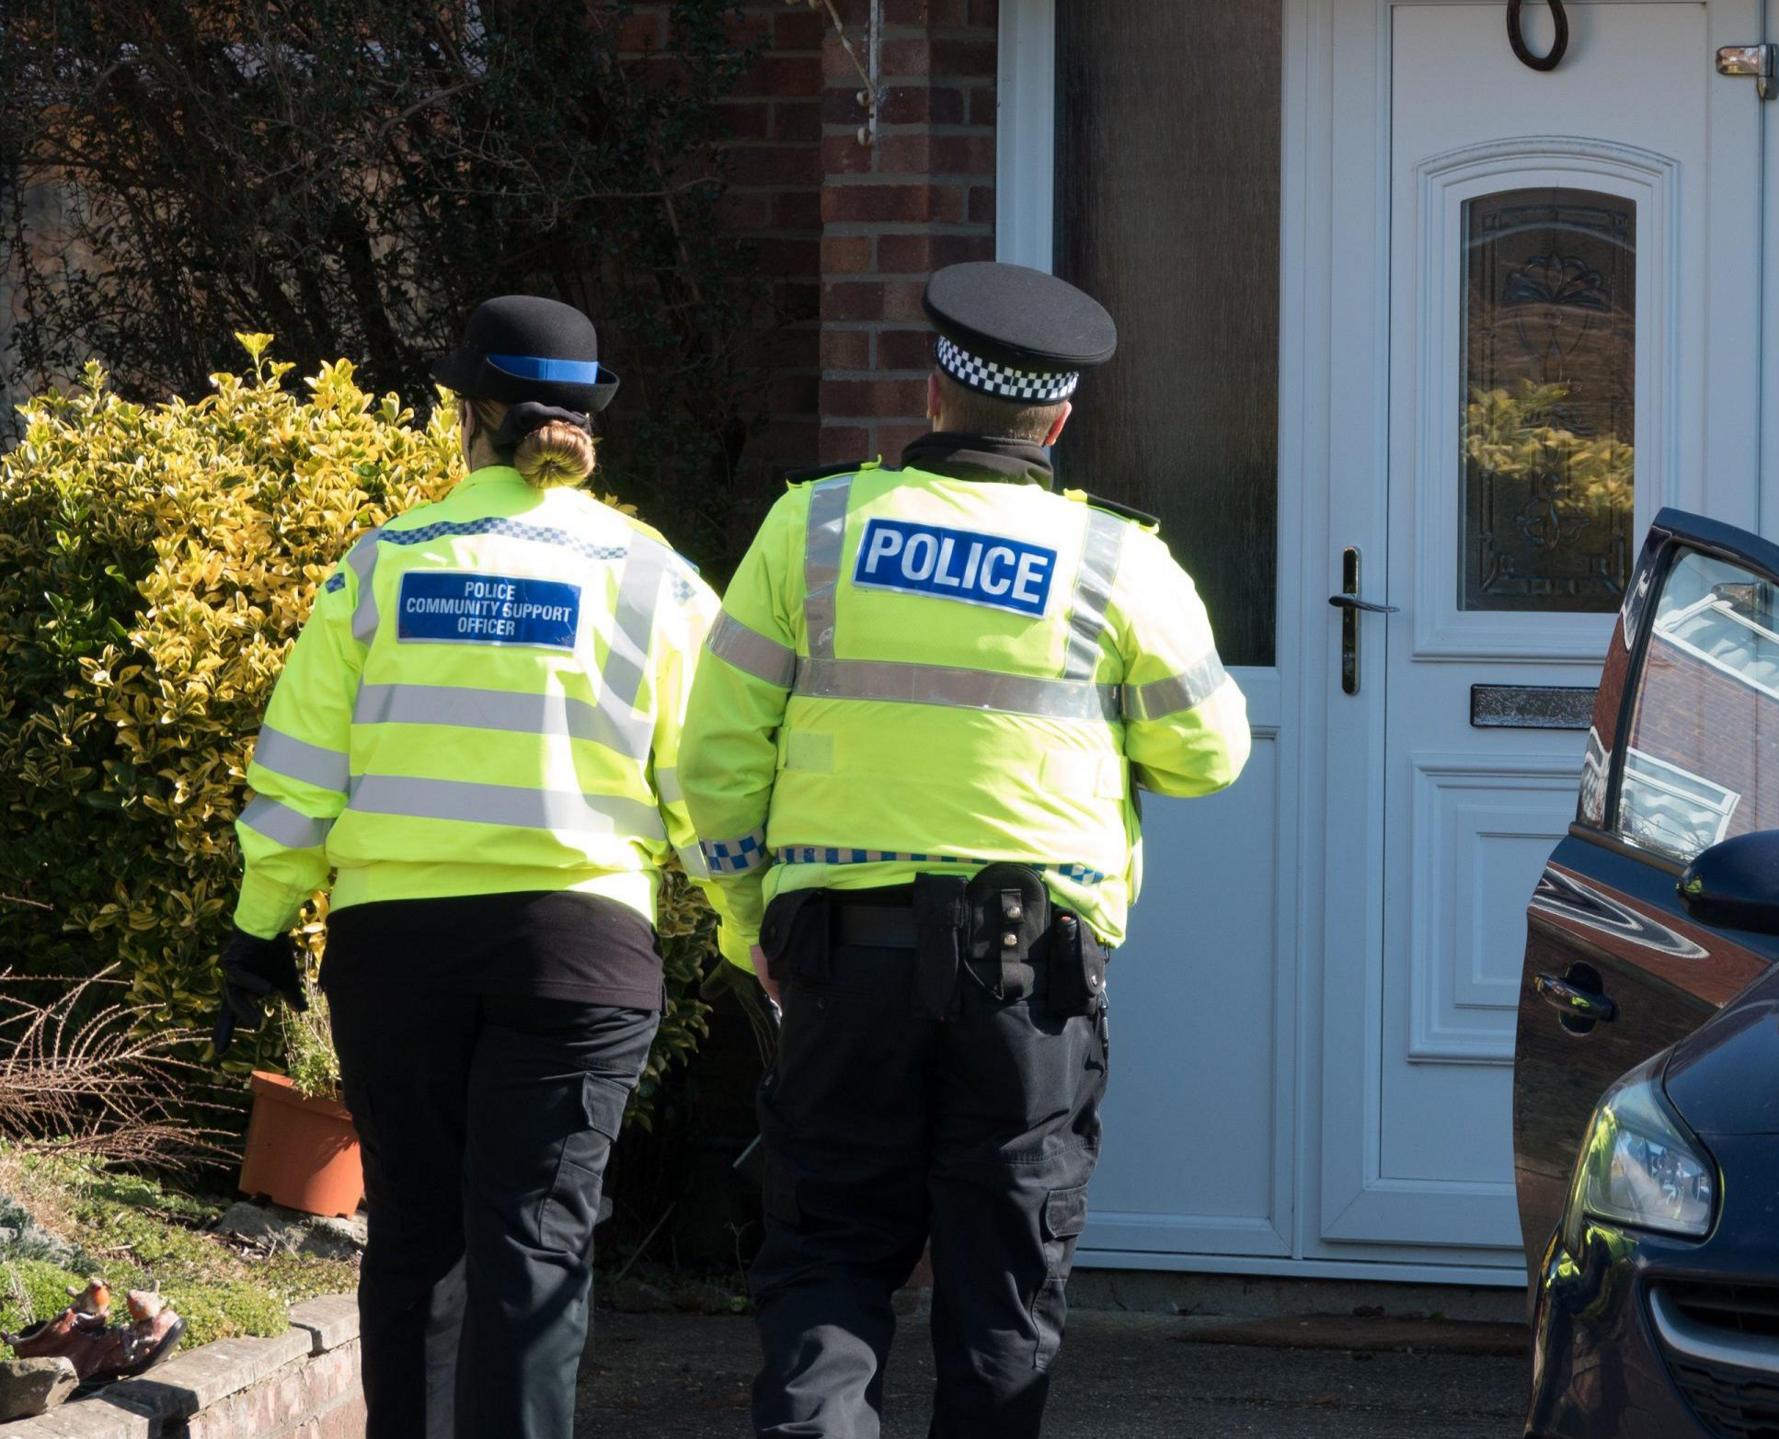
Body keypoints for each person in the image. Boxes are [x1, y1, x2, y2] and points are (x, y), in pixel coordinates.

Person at [680, 261, 1251, 1438]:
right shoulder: (1115, 562)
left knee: (828, 1263)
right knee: (1001, 1297)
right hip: (1028, 986)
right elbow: (1209, 754)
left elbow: (715, 758)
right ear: (1059, 415)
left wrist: (751, 925)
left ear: (935, 389)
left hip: (841, 965)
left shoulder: (815, 525)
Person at [213, 295, 747, 1439]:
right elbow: (712, 785)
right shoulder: (653, 576)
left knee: (414, 1234)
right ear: (590, 422)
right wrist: (757, 934)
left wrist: (258, 926)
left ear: (467, 416)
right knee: (535, 1244)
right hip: (578, 953)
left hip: (393, 950)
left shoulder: (380, 565)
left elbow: (299, 772)